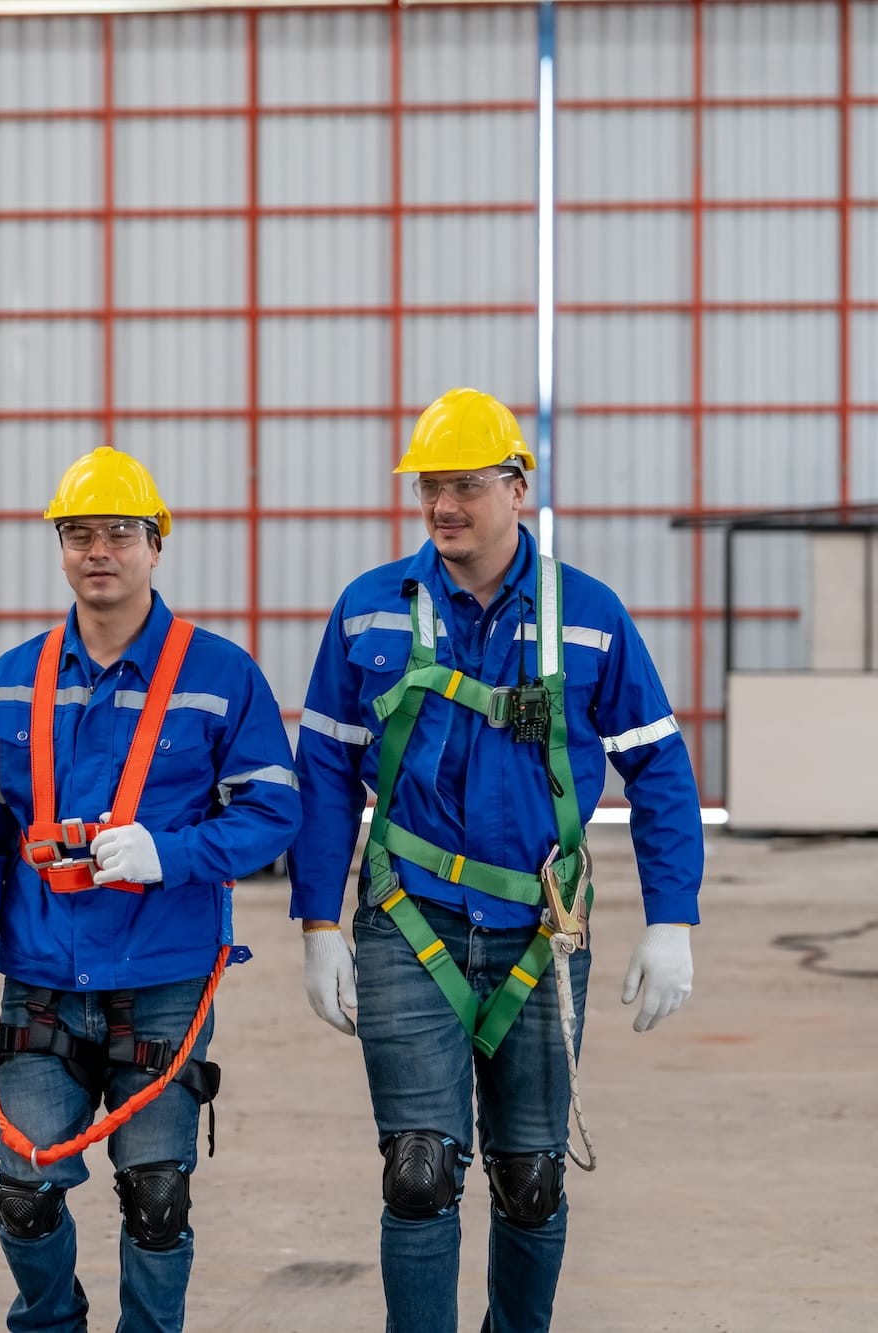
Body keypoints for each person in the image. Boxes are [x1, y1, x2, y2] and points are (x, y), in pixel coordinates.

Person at [289, 387, 703, 1332]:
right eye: (432, 485)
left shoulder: (589, 616)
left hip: (541, 929)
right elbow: (325, 770)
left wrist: (672, 917)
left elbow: (661, 770)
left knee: (530, 1173)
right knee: (420, 1170)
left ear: (519, 488)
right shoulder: (368, 614)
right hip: (409, 917)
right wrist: (318, 921)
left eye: (467, 485)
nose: (445, 505)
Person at [0, 446, 302, 1333]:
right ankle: (50, 1319)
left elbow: (274, 811)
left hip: (164, 978)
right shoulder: (13, 679)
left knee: (157, 1195)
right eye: (80, 533)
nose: (100, 550)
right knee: (24, 1189)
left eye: (121, 533)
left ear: (156, 547)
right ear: (61, 549)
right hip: (46, 975)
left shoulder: (219, 675)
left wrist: (169, 854)